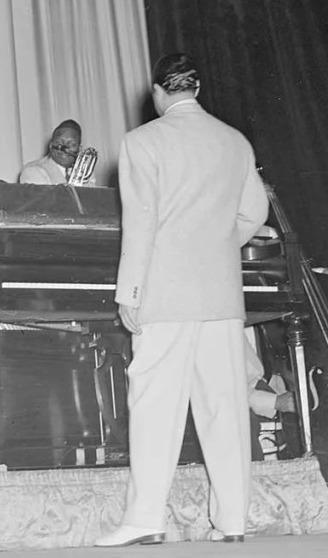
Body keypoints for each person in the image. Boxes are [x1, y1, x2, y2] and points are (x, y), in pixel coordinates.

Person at [96, 53, 269, 547]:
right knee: (225, 407)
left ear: (157, 93)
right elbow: (254, 212)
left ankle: (147, 518)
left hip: (165, 294)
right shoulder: (234, 140)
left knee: (155, 407)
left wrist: (130, 291)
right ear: (196, 88)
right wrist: (213, 248)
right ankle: (233, 520)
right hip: (220, 295)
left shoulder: (142, 141)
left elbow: (142, 222)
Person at [19, 119, 96, 186]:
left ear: (79, 149)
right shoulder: (32, 171)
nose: (65, 147)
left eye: (71, 144)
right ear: (50, 145)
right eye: (59, 142)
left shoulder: (86, 174)